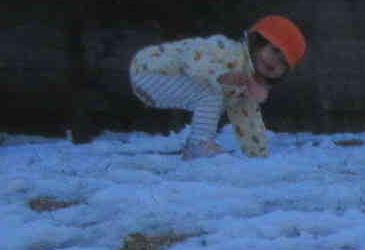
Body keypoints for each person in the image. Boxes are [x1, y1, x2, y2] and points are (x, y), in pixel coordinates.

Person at [129, 16, 306, 160]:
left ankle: (199, 146)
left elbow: (247, 117)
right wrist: (221, 74)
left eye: (284, 63)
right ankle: (199, 146)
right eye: (275, 51)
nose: (276, 62)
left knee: (224, 97)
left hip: (163, 86)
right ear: (257, 43)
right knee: (213, 91)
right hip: (150, 70)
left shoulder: (246, 83)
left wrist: (259, 156)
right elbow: (192, 58)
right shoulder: (226, 50)